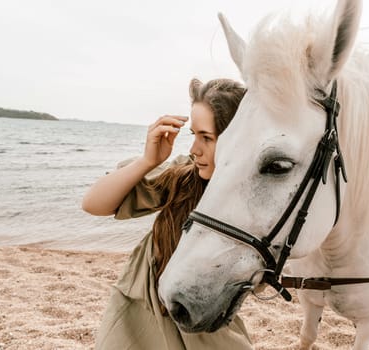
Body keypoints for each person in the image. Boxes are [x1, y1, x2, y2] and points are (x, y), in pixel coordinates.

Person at [82, 78, 250, 350]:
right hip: (137, 317)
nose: (195, 149)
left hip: (203, 327)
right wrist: (149, 160)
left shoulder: (253, 200)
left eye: (206, 138)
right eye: (193, 135)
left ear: (238, 138)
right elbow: (93, 203)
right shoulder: (183, 177)